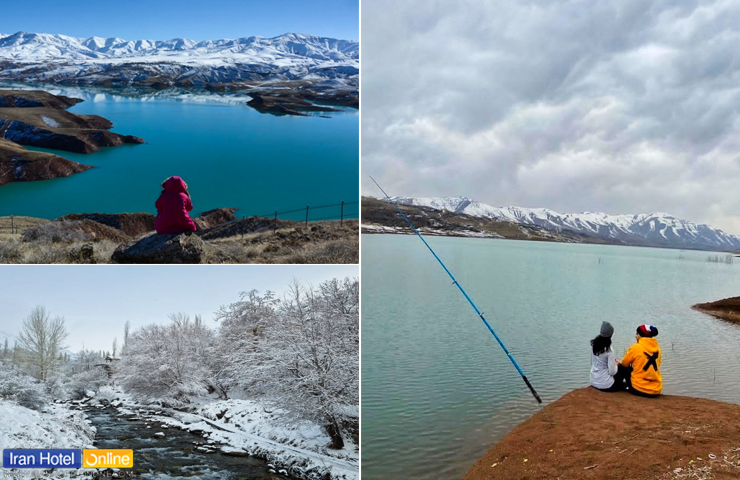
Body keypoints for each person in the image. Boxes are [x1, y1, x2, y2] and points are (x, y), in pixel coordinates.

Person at [620, 324, 662, 397]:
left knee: (623, 368)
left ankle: (616, 386)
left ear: (641, 335)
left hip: (638, 388)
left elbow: (624, 363)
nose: (635, 336)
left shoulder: (636, 347)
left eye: (637, 334)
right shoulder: (658, 349)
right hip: (656, 390)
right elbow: (658, 365)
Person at [590, 321, 629, 392]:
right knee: (624, 368)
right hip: (606, 386)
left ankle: (621, 384)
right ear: (610, 335)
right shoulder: (609, 350)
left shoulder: (593, 346)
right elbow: (612, 372)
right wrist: (616, 364)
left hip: (593, 381)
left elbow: (592, 363)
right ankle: (629, 386)